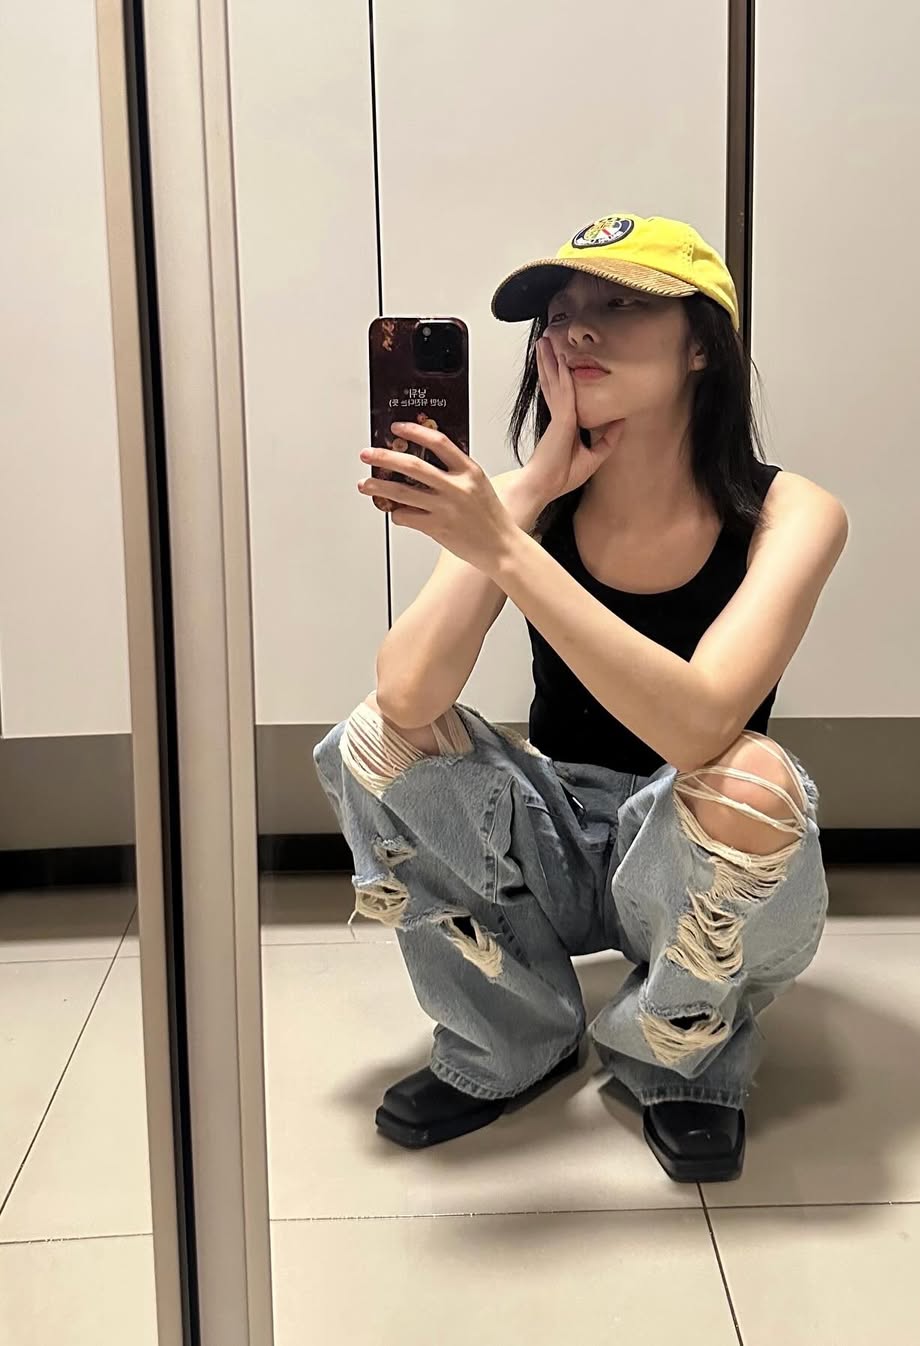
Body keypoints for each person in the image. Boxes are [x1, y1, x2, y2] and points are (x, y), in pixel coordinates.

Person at [314, 212, 849, 1182]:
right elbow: (405, 693)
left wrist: (506, 547)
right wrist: (528, 493)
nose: (578, 329)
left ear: (702, 346)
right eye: (560, 314)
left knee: (753, 780)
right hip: (558, 831)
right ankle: (509, 1039)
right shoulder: (522, 503)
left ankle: (681, 1062)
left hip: (690, 840)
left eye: (621, 304)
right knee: (374, 739)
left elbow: (702, 724)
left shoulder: (791, 511)